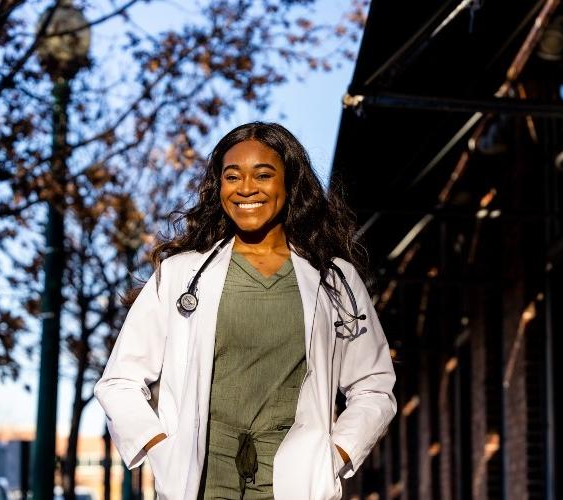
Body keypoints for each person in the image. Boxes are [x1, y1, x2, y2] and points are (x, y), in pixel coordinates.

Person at [94, 122, 397, 500]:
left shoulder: (333, 280)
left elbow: (374, 386)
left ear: (290, 184)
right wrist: (159, 448)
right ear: (219, 187)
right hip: (201, 484)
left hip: (293, 484)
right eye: (232, 176)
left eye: (264, 175)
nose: (246, 188)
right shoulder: (179, 276)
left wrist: (335, 455)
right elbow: (119, 382)